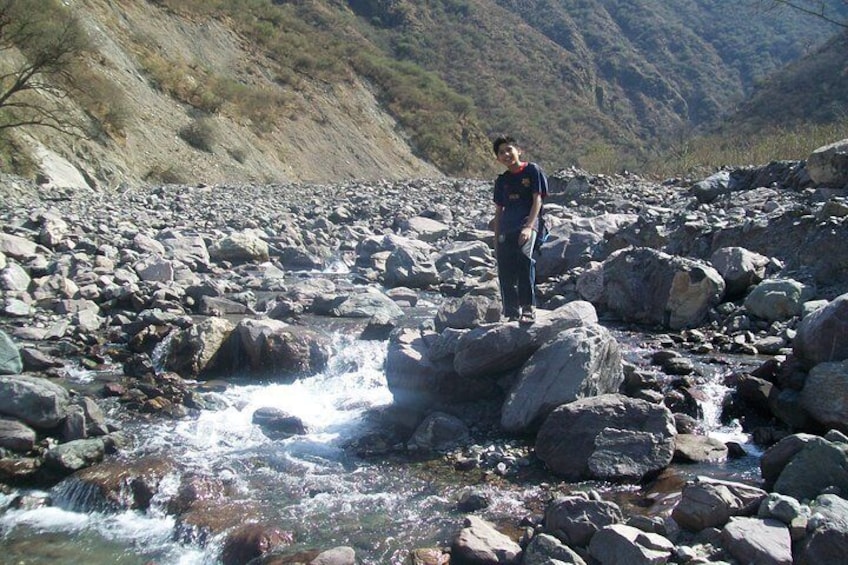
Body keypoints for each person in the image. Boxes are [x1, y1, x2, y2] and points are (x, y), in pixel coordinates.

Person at [491, 134, 547, 324]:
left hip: (527, 223)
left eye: (509, 149)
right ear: (498, 158)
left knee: (524, 261)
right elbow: (499, 211)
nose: (506, 154)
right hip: (507, 227)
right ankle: (511, 312)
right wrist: (496, 238)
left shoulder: (532, 170)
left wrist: (529, 227)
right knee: (505, 268)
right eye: (501, 152)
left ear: (518, 151)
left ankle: (528, 309)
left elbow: (537, 199)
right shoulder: (502, 181)